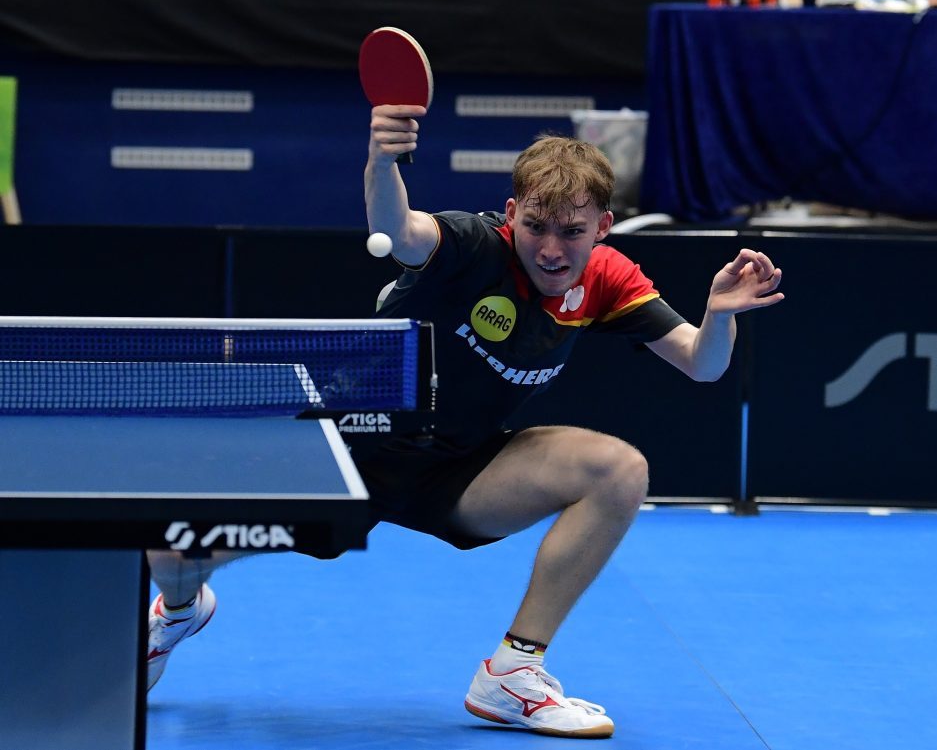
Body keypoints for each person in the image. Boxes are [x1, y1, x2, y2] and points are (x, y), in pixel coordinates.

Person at [146, 103, 784, 739]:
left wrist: (719, 316)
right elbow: (398, 229)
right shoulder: (473, 246)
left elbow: (702, 364)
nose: (552, 249)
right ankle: (178, 612)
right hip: (348, 454)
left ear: (603, 227)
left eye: (572, 231)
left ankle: (513, 673)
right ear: (511, 214)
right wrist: (382, 161)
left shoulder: (606, 280)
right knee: (167, 550)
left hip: (459, 469)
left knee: (617, 471)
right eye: (535, 226)